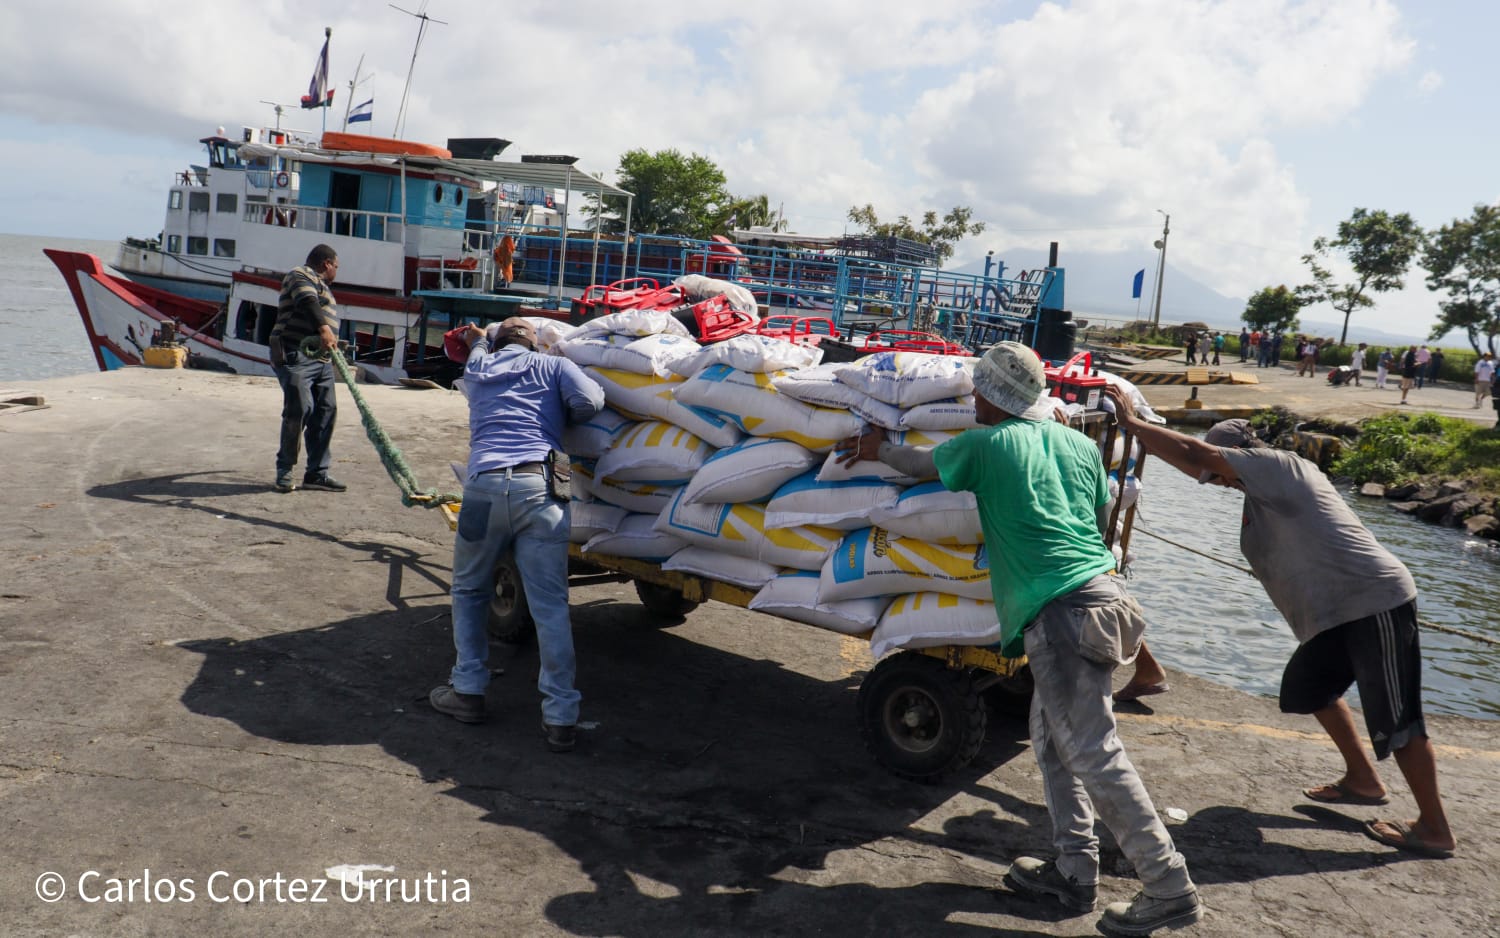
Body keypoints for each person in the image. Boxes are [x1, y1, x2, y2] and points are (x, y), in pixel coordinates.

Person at [836, 343, 1200, 936]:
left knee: (1092, 751)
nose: (973, 398)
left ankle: (1168, 886)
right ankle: (1074, 870)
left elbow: (924, 467)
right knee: (1053, 741)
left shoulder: (985, 445)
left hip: (1060, 613)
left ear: (994, 396)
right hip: (1105, 603)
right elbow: (1097, 508)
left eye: (979, 390)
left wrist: (879, 448)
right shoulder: (1082, 446)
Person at [1102, 398, 1459, 861]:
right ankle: (1363, 781)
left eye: (1221, 474)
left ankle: (1435, 829)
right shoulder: (1261, 498)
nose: (1219, 484)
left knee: (1398, 719)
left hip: (1374, 602)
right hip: (1334, 616)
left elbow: (1195, 455)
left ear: (1239, 456)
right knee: (1307, 690)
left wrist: (1131, 424)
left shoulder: (1281, 466)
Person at [430, 318, 606, 753]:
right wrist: (557, 412)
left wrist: (476, 341)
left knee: (470, 590)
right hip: (539, 490)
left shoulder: (479, 367)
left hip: (483, 489)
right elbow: (592, 402)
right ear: (536, 340)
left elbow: (471, 354)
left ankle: (468, 691)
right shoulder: (554, 367)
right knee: (550, 606)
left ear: (496, 341)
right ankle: (561, 716)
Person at [270, 244, 345, 494]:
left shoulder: (324, 287)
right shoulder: (300, 275)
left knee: (325, 411)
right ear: (326, 263)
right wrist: (324, 329)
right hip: (296, 352)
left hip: (322, 361)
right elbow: (306, 301)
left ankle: (316, 473)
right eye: (336, 266)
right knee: (300, 407)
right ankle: (285, 469)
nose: (337, 271)